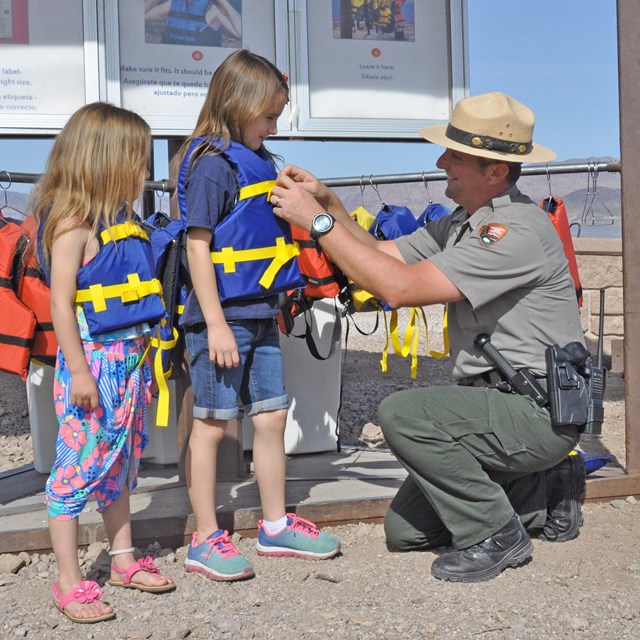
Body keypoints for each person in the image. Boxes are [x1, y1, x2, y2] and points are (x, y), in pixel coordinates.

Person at [270, 92, 587, 583]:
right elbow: (380, 251)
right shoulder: (464, 222)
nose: (441, 162)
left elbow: (398, 287)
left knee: (402, 414)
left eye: (454, 155)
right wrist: (328, 201)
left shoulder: (514, 231)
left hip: (535, 411)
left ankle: (498, 535)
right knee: (405, 532)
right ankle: (544, 487)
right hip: (495, 407)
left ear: (495, 172)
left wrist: (316, 222)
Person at [173, 49, 341, 582]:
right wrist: (216, 323)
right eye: (268, 116)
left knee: (270, 417)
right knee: (213, 426)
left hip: (262, 312)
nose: (273, 127)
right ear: (238, 104)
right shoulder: (210, 167)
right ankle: (204, 538)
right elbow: (197, 247)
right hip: (220, 320)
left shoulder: (259, 161)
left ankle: (273, 525)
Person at [33, 102, 176, 623]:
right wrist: (77, 371)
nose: (143, 174)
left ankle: (122, 559)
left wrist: (146, 371)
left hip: (130, 367)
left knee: (120, 468)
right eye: (137, 162)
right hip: (93, 367)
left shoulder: (122, 221)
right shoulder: (73, 224)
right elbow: (61, 304)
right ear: (105, 161)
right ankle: (68, 581)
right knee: (75, 472)